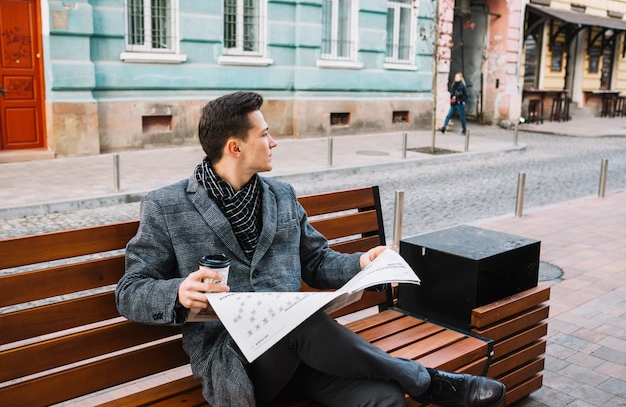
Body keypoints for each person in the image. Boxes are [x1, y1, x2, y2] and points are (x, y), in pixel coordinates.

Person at [115, 91, 505, 407]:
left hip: (305, 353)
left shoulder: (281, 196)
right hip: (237, 363)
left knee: (384, 398)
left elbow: (317, 261)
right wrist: (179, 292)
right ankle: (428, 382)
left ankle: (412, 383)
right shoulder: (167, 206)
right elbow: (130, 291)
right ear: (235, 147)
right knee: (298, 319)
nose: (274, 141)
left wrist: (361, 262)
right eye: (264, 134)